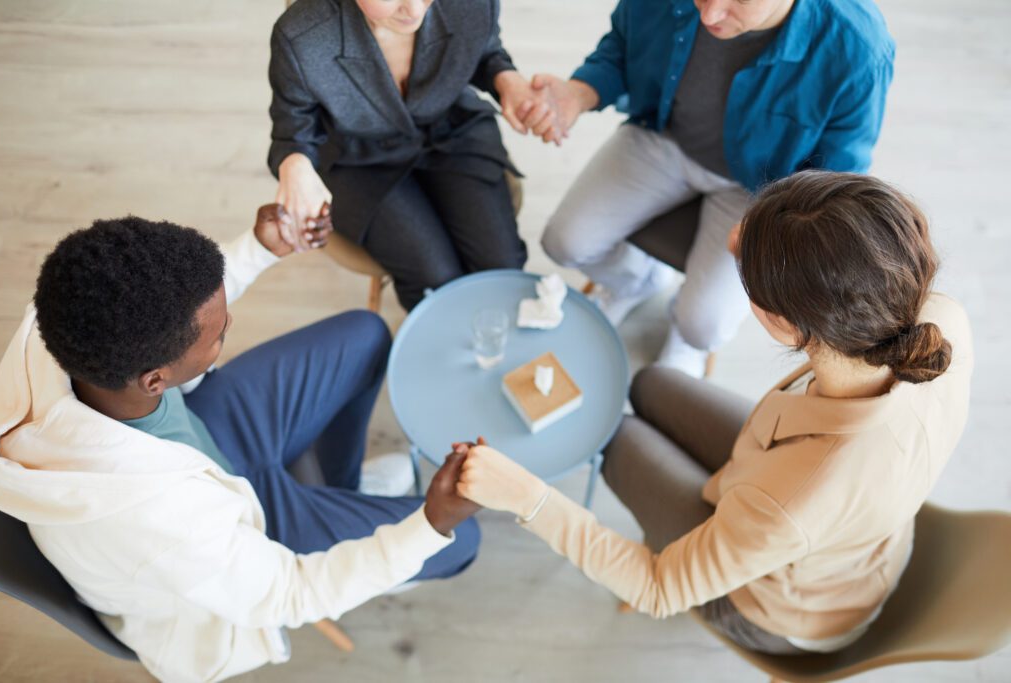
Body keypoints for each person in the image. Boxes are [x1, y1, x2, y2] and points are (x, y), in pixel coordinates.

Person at [456, 172, 973, 655]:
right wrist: (772, 243)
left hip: (776, 603)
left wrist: (528, 498)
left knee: (614, 441)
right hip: (834, 520)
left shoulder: (793, 497)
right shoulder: (938, 319)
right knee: (651, 383)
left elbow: (658, 588)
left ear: (783, 326)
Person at [0, 205, 481, 682]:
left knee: (367, 337)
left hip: (207, 442)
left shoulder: (64, 315)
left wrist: (257, 249)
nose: (228, 329)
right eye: (220, 336)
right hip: (235, 532)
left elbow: (176, 308)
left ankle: (339, 490)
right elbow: (292, 592)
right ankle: (343, 513)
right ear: (155, 379)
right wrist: (431, 524)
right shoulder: (167, 525)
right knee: (461, 540)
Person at [530, 0, 895, 376]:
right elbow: (620, 48)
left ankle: (685, 340)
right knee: (563, 242)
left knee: (703, 327)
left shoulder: (860, 48)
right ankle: (636, 280)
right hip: (665, 137)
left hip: (764, 189)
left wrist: (774, 229)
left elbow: (835, 177)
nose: (708, 16)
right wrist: (579, 91)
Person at [269, 0, 553, 310]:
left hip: (451, 130)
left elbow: (484, 49)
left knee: (502, 267)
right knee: (434, 279)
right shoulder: (301, 35)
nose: (415, 11)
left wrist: (503, 77)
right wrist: (295, 163)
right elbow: (294, 127)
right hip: (357, 157)